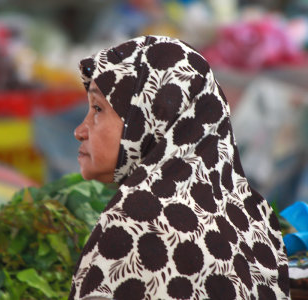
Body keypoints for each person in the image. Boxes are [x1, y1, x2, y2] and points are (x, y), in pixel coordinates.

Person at [71, 35, 290, 300]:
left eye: (97, 109)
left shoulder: (138, 224)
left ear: (150, 118)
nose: (80, 131)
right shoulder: (252, 214)